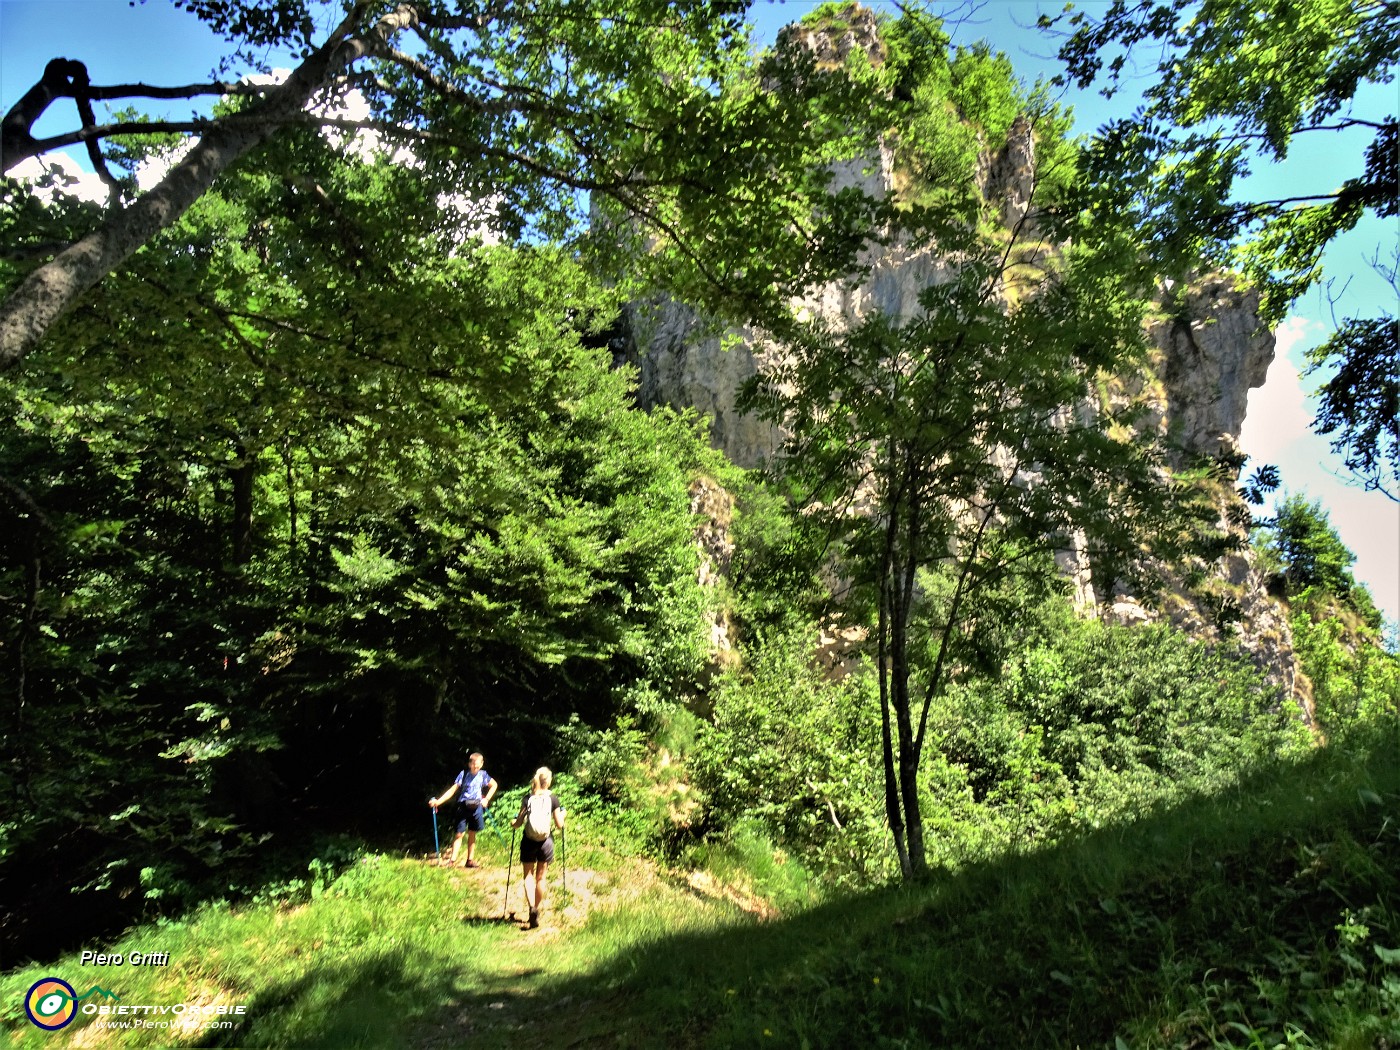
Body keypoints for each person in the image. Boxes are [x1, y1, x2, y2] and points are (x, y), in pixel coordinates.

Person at [511, 766, 565, 929]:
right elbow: (559, 824)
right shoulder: (553, 799)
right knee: (541, 878)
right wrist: (564, 814)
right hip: (546, 842)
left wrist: (513, 822)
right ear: (548, 781)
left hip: (529, 841)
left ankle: (531, 908)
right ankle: (536, 908)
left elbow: (518, 824)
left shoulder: (528, 798)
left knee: (528, 876)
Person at [429, 752, 497, 868]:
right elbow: (452, 790)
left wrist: (487, 799)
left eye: (477, 765)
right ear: (469, 763)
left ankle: (470, 860)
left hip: (477, 807)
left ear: (481, 764)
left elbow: (494, 785)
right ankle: (452, 861)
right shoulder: (463, 774)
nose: (475, 767)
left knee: (472, 833)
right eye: (473, 764)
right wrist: (438, 802)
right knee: (459, 834)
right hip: (463, 807)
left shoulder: (483, 775)